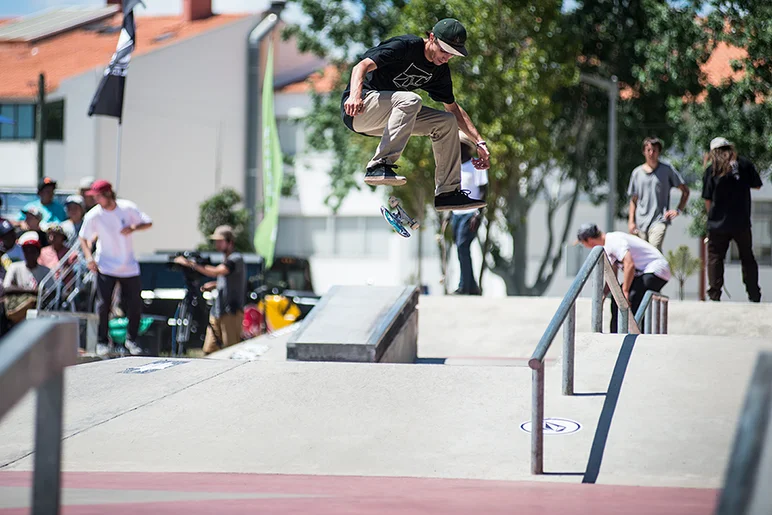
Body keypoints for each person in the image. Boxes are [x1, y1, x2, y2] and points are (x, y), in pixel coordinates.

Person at [341, 18, 490, 211]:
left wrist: (479, 142)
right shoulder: (405, 46)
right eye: (443, 51)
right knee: (411, 100)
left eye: (452, 54)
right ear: (431, 38)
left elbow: (453, 108)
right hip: (360, 109)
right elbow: (360, 67)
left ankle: (447, 192)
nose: (445, 57)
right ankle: (379, 165)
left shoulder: (439, 72)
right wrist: (354, 95)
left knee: (446, 121)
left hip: (388, 119)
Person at [79, 180, 153, 357]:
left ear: (107, 194)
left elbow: (148, 222)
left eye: (97, 196)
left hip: (128, 266)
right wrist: (89, 258)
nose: (95, 199)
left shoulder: (127, 208)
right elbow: (83, 237)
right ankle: (102, 341)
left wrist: (133, 227)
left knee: (135, 304)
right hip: (106, 265)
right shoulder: (94, 215)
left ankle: (132, 339)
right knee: (103, 304)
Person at [577, 223, 671, 333]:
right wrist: (604, 294)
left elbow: (629, 264)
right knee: (617, 297)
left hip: (656, 269)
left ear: (589, 240)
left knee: (632, 297)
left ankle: (638, 333)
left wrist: (625, 291)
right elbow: (612, 274)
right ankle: (615, 333)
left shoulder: (613, 240)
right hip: (645, 272)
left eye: (584, 244)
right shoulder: (606, 247)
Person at [702, 137, 762, 302]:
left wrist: (711, 217)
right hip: (741, 222)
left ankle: (714, 295)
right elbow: (757, 185)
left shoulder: (711, 169)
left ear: (714, 152)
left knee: (715, 257)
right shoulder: (743, 165)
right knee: (747, 257)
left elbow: (707, 199)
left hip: (717, 223)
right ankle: (754, 295)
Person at [174, 225, 246, 355]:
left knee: (232, 350)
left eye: (220, 241)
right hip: (217, 311)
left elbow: (218, 271)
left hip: (230, 312)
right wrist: (215, 284)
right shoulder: (225, 258)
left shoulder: (236, 258)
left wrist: (192, 264)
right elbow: (224, 278)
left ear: (229, 242)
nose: (216, 244)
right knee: (209, 350)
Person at [627, 137, 690, 251]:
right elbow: (634, 200)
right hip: (641, 222)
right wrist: (631, 222)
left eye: (654, 150)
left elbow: (685, 191)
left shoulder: (667, 170)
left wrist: (678, 210)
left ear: (659, 152)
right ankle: (659, 268)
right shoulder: (637, 173)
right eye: (649, 150)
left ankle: (656, 268)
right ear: (644, 152)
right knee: (642, 254)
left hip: (659, 219)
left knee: (654, 248)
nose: (651, 153)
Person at [450, 135, 488, 295]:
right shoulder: (454, 167)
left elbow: (484, 189)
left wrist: (478, 213)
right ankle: (471, 286)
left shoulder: (475, 166)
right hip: (456, 213)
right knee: (460, 249)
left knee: (462, 247)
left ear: (464, 147)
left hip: (470, 213)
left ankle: (464, 286)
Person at [2, 232, 51, 327]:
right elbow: (6, 288)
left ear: (38, 252)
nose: (29, 253)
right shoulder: (15, 267)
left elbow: (49, 291)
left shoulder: (46, 271)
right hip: (17, 309)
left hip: (38, 310)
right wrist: (31, 291)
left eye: (32, 250)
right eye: (26, 250)